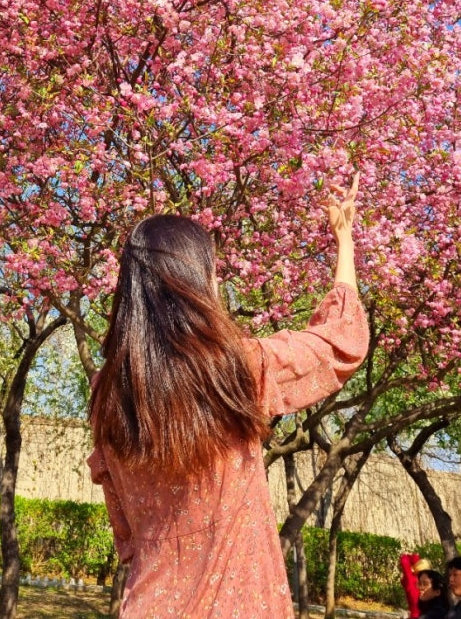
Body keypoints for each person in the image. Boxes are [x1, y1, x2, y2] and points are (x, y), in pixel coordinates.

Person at [88, 174, 369, 618]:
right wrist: (344, 243)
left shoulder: (107, 391)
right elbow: (341, 343)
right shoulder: (236, 369)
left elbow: (124, 532)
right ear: (197, 283)